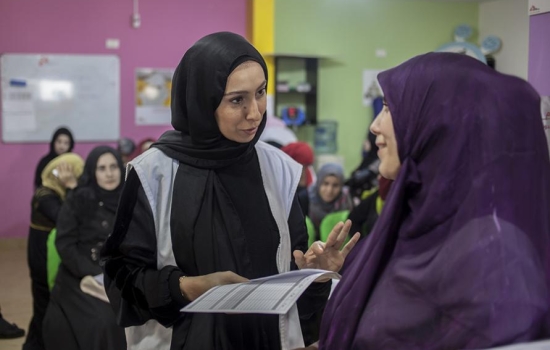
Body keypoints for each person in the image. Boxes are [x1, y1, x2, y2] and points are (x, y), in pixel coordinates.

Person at [100, 31, 359, 350]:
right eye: (237, 100)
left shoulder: (279, 169)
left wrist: (314, 276)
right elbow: (123, 279)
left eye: (261, 92)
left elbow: (289, 279)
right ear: (203, 102)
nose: (255, 112)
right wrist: (189, 288)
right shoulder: (154, 173)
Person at [302, 52, 550, 350]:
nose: (375, 126)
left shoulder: (495, 257)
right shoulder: (410, 223)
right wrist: (343, 273)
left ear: (438, 126)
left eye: (389, 108)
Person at [42, 146, 126, 350]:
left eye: (113, 166)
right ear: (92, 171)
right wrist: (93, 272)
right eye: (102, 168)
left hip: (122, 272)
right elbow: (65, 243)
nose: (109, 173)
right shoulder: (79, 199)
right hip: (81, 273)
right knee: (104, 321)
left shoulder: (130, 198)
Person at [23, 152, 84, 350]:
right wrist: (72, 187)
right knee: (45, 306)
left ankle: (33, 345)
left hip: (49, 255)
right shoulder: (45, 196)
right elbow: (65, 219)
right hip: (42, 258)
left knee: (44, 306)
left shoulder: (55, 193)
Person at [308, 163, 353, 237]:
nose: (329, 190)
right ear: (319, 183)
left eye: (335, 185)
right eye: (325, 184)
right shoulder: (307, 198)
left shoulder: (346, 199)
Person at [281, 142, 315, 216]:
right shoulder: (281, 175)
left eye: (306, 166)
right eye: (302, 165)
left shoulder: (308, 173)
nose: (304, 169)